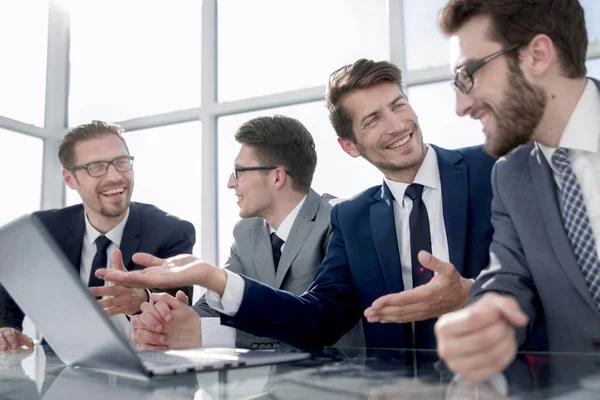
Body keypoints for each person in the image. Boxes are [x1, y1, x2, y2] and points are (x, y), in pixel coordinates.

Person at [98, 59, 496, 350]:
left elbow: (546, 279)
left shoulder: (491, 169)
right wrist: (211, 278)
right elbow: (316, 320)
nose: (396, 125)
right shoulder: (353, 217)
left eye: (398, 105)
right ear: (349, 146)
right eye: (372, 119)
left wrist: (471, 293)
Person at [433, 0, 600, 381]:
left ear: (538, 55)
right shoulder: (510, 175)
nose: (461, 106)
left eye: (467, 75)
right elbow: (509, 276)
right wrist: (486, 315)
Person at [129, 115, 364, 349]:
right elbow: (215, 306)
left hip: (338, 378)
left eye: (239, 172)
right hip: (266, 382)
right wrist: (169, 321)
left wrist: (206, 335)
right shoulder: (246, 232)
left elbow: (317, 323)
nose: (231, 183)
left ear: (277, 177)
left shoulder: (338, 220)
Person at [0, 120, 195, 351]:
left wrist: (141, 298)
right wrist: (6, 328)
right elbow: (9, 288)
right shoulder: (44, 229)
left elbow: (180, 298)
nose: (114, 176)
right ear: (70, 179)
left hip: (143, 370)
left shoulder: (171, 231)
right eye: (96, 167)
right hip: (61, 373)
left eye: (121, 163)